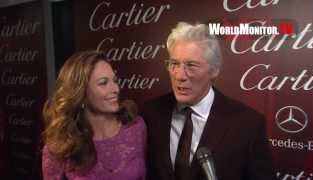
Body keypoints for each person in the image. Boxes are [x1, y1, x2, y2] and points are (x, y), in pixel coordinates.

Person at [141, 22, 275, 180]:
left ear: (214, 70)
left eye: (191, 65)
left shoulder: (248, 124)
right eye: (174, 64)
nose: (179, 76)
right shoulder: (151, 112)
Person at [42, 50, 146, 180]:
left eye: (114, 81)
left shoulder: (136, 127)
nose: (115, 89)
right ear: (81, 92)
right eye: (103, 83)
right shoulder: (60, 146)